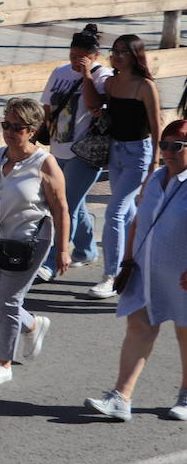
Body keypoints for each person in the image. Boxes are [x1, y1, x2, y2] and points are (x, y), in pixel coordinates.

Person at [0, 98, 71, 386]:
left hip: (30, 241)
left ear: (32, 130)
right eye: (6, 124)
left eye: (16, 127)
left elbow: (60, 209)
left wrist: (63, 249)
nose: (9, 131)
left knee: (8, 301)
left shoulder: (45, 163)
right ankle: (32, 324)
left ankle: (2, 363)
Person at [84, 119, 187, 422]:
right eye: (164, 145)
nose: (168, 152)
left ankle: (186, 396)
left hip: (182, 277)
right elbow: (138, 222)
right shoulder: (155, 179)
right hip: (146, 271)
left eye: (177, 146)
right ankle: (121, 397)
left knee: (185, 333)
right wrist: (127, 263)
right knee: (138, 327)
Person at [86, 34, 162, 299]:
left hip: (138, 155)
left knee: (115, 213)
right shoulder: (111, 83)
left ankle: (112, 276)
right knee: (128, 213)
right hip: (116, 151)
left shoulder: (145, 86)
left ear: (135, 56)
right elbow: (96, 106)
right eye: (114, 50)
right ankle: (136, 267)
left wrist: (154, 162)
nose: (117, 56)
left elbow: (156, 125)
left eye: (123, 52)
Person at [36, 24, 110, 281]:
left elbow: (93, 105)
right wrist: (47, 132)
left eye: (83, 56)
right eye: (73, 54)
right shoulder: (59, 72)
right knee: (73, 203)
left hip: (85, 151)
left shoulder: (102, 76)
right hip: (58, 148)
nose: (75, 61)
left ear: (95, 56)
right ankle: (87, 250)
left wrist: (87, 73)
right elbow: (47, 104)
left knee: (64, 205)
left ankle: (53, 260)